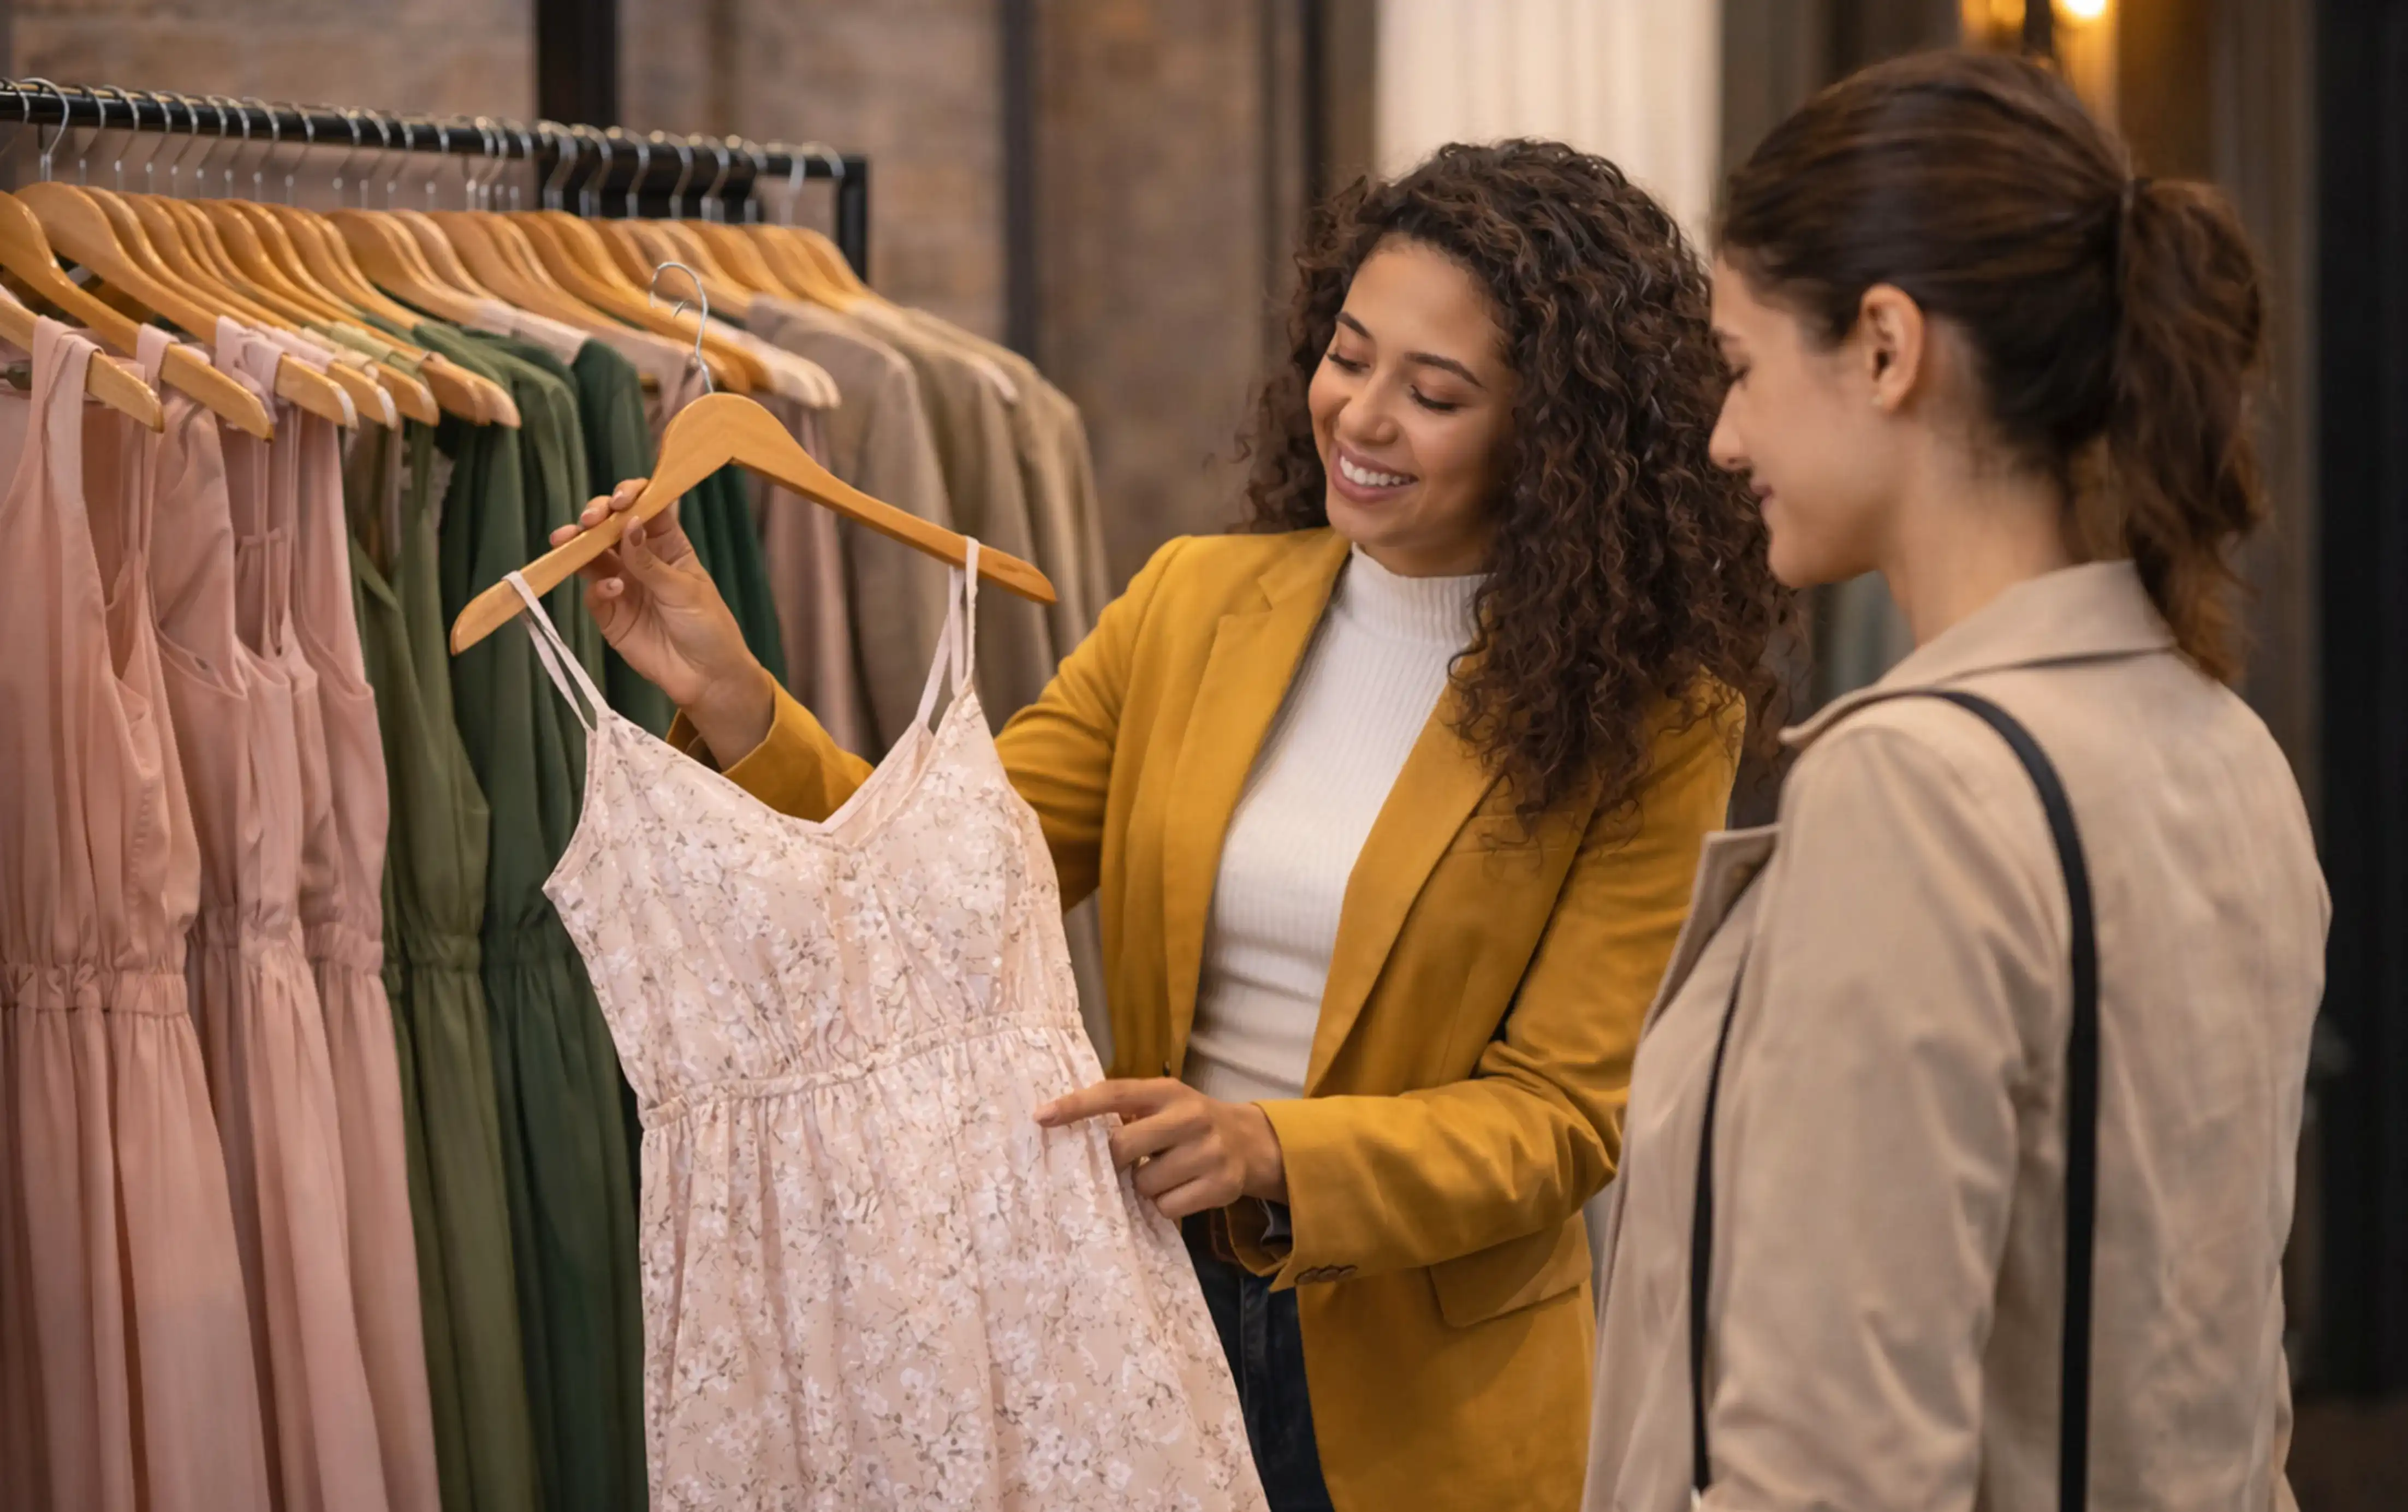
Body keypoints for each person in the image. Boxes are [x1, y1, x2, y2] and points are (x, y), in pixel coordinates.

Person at [557, 140, 1781, 1510]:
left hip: (1424, 1399)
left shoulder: (1653, 721)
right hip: (1124, 1303)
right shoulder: (1194, 602)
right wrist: (730, 694)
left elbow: (1559, 1118)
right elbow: (942, 879)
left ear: (1556, 435)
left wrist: (1268, 1147)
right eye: (1348, 354)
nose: (1360, 417)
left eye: (1432, 393)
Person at [1582, 50, 2328, 1512]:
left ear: (1882, 345)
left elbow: (1835, 1469)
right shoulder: (2221, 744)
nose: (1724, 438)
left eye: (1737, 368)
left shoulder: (1913, 795)